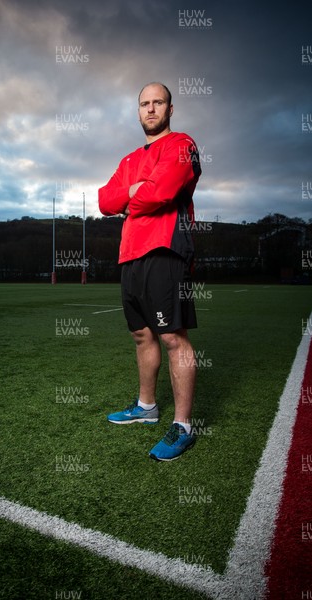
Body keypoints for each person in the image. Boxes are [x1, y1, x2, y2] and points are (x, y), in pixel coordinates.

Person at [98, 82, 202, 461]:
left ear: (170, 109)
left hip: (166, 249)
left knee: (173, 336)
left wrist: (132, 195)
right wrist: (133, 189)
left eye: (158, 102)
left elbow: (163, 192)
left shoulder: (181, 145)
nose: (151, 109)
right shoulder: (128, 160)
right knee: (142, 335)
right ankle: (146, 407)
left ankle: (184, 426)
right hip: (130, 255)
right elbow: (104, 200)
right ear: (138, 111)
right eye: (144, 104)